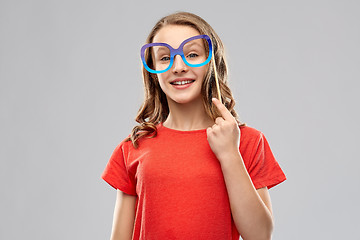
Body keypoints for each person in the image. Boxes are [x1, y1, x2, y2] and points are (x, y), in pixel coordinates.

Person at [101, 11, 286, 240]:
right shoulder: (133, 148)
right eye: (165, 58)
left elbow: (260, 235)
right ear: (153, 72)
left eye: (193, 54)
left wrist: (229, 154)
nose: (178, 66)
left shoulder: (246, 141)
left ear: (211, 63)